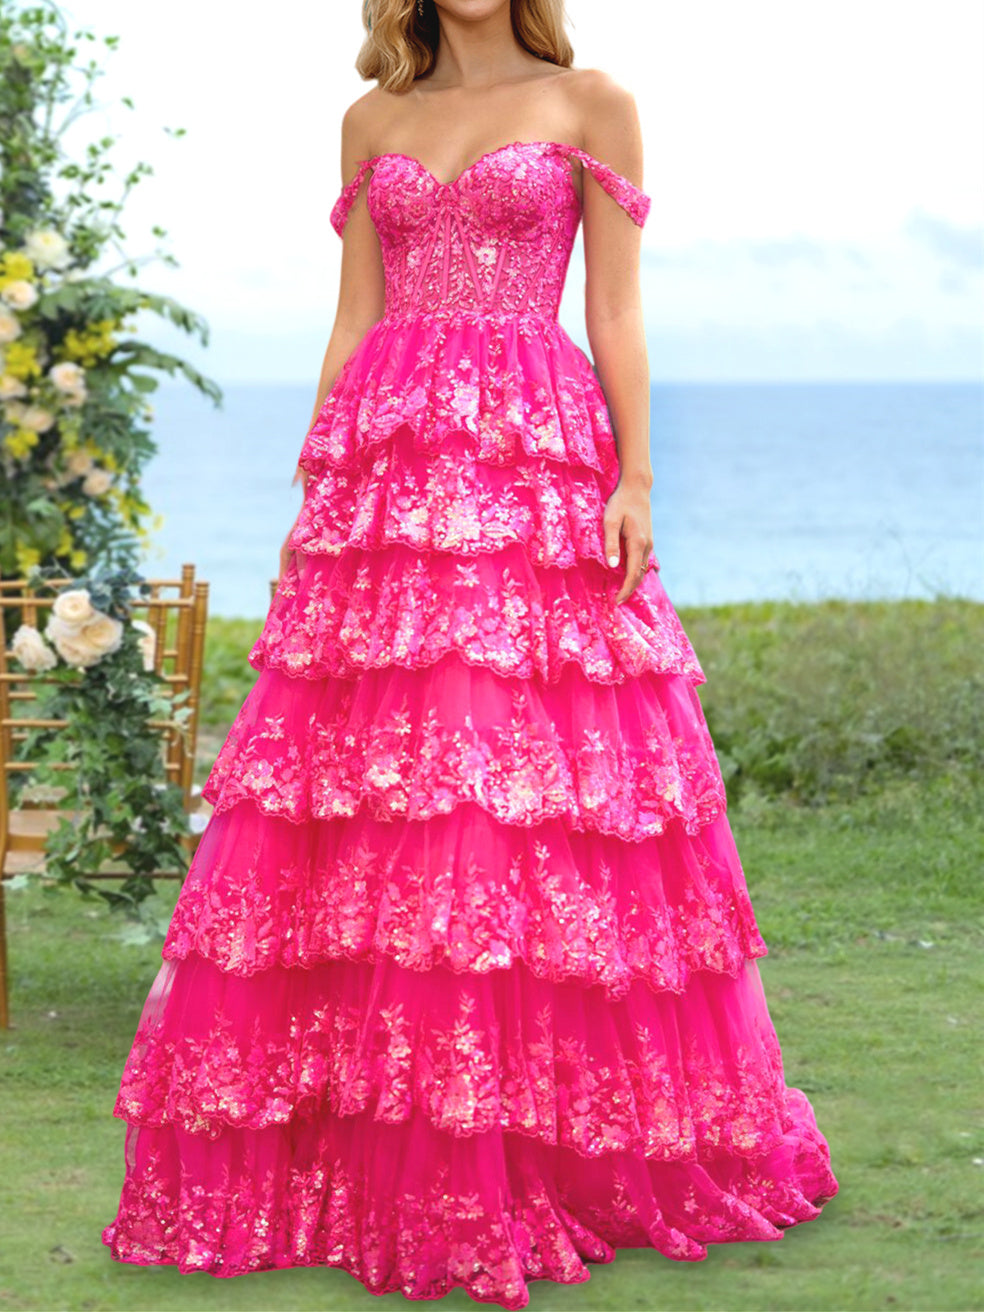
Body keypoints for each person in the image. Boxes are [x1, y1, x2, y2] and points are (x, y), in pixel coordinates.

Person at [100, 1, 839, 1306]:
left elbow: (616, 313)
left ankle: (535, 1156)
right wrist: (317, 488)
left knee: (518, 807)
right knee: (378, 803)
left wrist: (640, 483)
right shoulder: (369, 119)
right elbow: (354, 318)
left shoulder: (592, 100)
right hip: (386, 479)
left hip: (531, 470)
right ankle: (377, 1153)